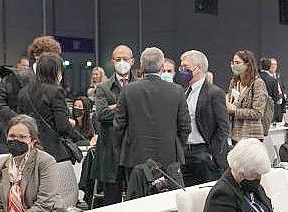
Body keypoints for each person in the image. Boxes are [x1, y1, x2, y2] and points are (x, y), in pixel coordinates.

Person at [115, 47, 190, 173]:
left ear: (142, 67)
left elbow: (119, 125)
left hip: (135, 157)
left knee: (137, 192)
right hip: (169, 157)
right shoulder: (177, 91)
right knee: (167, 193)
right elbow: (185, 126)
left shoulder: (128, 90)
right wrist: (177, 145)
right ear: (161, 67)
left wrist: (121, 148)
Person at [0, 114, 64, 212]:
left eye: (22, 137)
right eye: (12, 136)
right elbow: (1, 206)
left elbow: (44, 205)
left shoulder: (45, 161)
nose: (16, 140)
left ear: (33, 141)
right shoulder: (0, 165)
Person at [0, 36, 61, 152]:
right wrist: (19, 120)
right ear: (36, 55)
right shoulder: (17, 77)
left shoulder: (53, 82)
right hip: (16, 142)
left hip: (43, 146)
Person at [178, 50, 230, 186]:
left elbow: (223, 126)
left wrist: (212, 153)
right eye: (181, 67)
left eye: (186, 68)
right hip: (186, 153)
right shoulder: (184, 92)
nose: (182, 71)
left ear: (199, 68)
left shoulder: (214, 93)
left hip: (204, 154)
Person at [94, 44, 135, 205]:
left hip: (133, 149)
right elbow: (102, 114)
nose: (122, 62)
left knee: (136, 198)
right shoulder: (103, 88)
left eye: (125, 59)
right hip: (110, 150)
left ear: (132, 61)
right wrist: (125, 107)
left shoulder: (139, 86)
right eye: (118, 59)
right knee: (111, 201)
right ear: (112, 61)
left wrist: (115, 107)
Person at [17, 53, 72, 163]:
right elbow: (62, 126)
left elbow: (20, 120)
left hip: (28, 149)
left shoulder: (23, 92)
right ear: (55, 71)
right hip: (52, 151)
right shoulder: (56, 91)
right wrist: (71, 124)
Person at [228, 50, 268, 142]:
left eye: (237, 63)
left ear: (248, 64)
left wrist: (235, 111)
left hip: (252, 136)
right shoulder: (234, 82)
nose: (234, 65)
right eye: (233, 62)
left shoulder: (258, 83)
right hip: (235, 135)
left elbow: (258, 113)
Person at [269, 58, 287, 123]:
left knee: (280, 120)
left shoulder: (278, 75)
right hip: (273, 102)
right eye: (272, 64)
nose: (273, 66)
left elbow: (282, 86)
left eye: (275, 64)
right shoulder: (267, 77)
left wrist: (284, 94)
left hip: (281, 102)